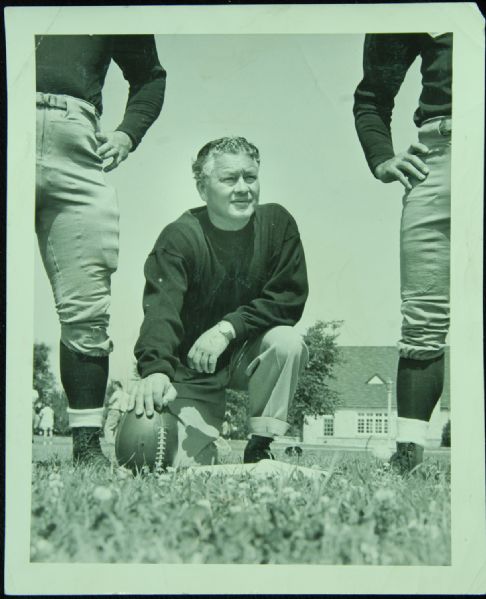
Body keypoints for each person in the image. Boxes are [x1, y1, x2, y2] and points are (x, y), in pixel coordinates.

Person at [129, 136, 309, 467]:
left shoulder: (277, 223)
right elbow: (160, 312)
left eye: (250, 177)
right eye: (229, 179)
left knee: (287, 341)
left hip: (246, 355)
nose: (243, 188)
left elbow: (288, 299)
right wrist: (155, 370)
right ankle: (211, 441)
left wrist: (227, 328)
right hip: (193, 367)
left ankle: (261, 443)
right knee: (177, 463)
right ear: (202, 188)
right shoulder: (179, 238)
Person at [35, 35, 166, 466]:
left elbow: (149, 76)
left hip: (76, 138)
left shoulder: (112, 11)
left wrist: (128, 134)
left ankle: (86, 447)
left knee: (87, 305)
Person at [353, 33, 452, 473]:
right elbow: (372, 96)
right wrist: (381, 158)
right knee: (423, 317)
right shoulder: (413, 10)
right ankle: (408, 455)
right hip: (441, 152)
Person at [103, 381, 129, 448]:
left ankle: (109, 442)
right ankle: (115, 442)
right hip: (123, 412)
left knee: (108, 427)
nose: (113, 387)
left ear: (116, 385)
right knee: (117, 428)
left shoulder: (117, 393)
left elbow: (110, 401)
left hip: (114, 410)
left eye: (113, 385)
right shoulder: (126, 394)